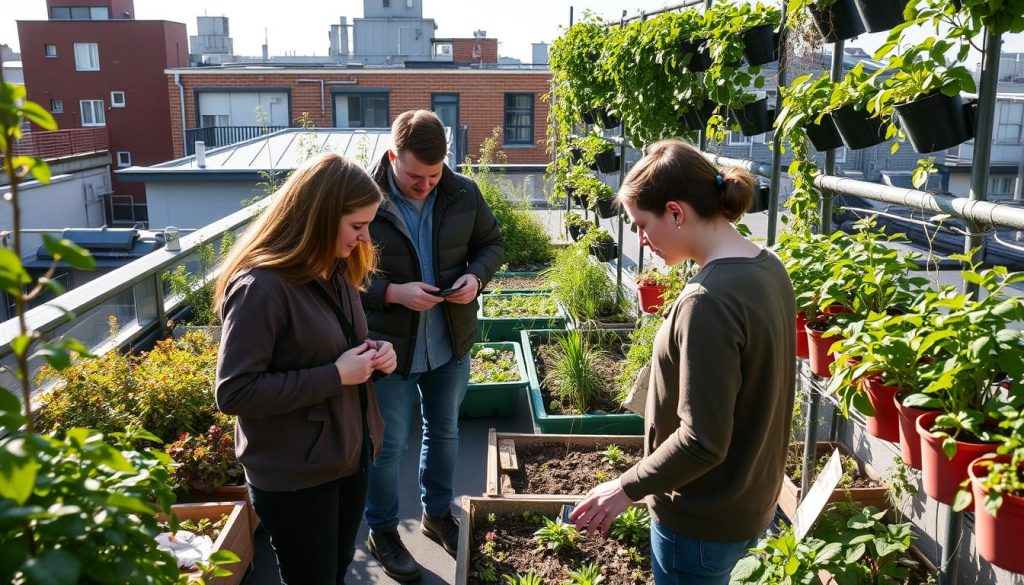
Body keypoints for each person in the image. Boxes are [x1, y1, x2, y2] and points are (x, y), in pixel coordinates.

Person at [569, 139, 796, 585]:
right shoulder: (768, 266)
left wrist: (625, 488)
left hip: (700, 522)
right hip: (750, 502)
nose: (641, 240)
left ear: (676, 212)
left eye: (641, 225)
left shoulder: (706, 300)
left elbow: (703, 441)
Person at [214, 153, 397, 584]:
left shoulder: (335, 269)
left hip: (346, 458)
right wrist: (335, 375)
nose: (366, 238)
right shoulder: (260, 288)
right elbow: (235, 392)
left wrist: (377, 355)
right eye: (357, 226)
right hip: (296, 478)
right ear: (318, 217)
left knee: (333, 573)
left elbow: (337, 350)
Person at [361, 109, 503, 581]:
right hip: (388, 349)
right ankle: (383, 531)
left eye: (434, 175)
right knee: (389, 446)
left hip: (448, 341)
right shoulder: (361, 198)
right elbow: (335, 272)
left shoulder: (463, 192)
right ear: (391, 157)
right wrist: (391, 293)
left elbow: (491, 244)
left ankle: (437, 514)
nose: (425, 186)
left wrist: (476, 278)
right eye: (414, 176)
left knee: (444, 431)